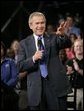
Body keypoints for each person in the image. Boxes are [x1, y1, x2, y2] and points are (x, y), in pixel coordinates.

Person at [17, 12, 72, 110]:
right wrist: (33, 58)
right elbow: (19, 66)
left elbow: (67, 44)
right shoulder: (23, 44)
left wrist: (63, 35)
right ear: (30, 25)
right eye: (37, 23)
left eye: (42, 23)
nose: (40, 26)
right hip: (36, 88)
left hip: (56, 85)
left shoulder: (53, 37)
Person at [1, 41, 19, 110]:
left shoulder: (10, 62)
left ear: (4, 50)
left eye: (1, 48)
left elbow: (14, 78)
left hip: (9, 94)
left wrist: (4, 87)